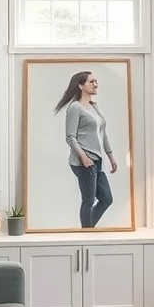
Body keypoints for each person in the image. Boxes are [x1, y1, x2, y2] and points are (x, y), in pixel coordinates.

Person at [54, 70, 117, 228]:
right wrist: (83, 156)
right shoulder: (75, 107)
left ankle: (87, 230)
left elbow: (103, 134)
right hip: (83, 161)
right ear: (81, 85)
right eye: (91, 81)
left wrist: (111, 157)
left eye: (96, 81)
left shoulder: (93, 107)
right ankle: (86, 234)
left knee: (107, 199)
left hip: (97, 160)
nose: (95, 84)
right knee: (88, 201)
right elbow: (70, 137)